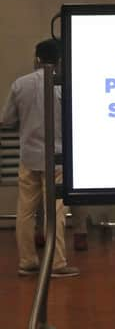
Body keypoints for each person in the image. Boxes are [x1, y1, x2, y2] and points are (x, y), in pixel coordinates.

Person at [0, 39, 80, 278]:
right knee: (56, 211)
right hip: (57, 157)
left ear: (36, 58)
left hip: (28, 157)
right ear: (59, 61)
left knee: (25, 210)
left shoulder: (19, 85)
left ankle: (27, 261)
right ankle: (56, 263)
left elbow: (7, 119)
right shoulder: (62, 88)